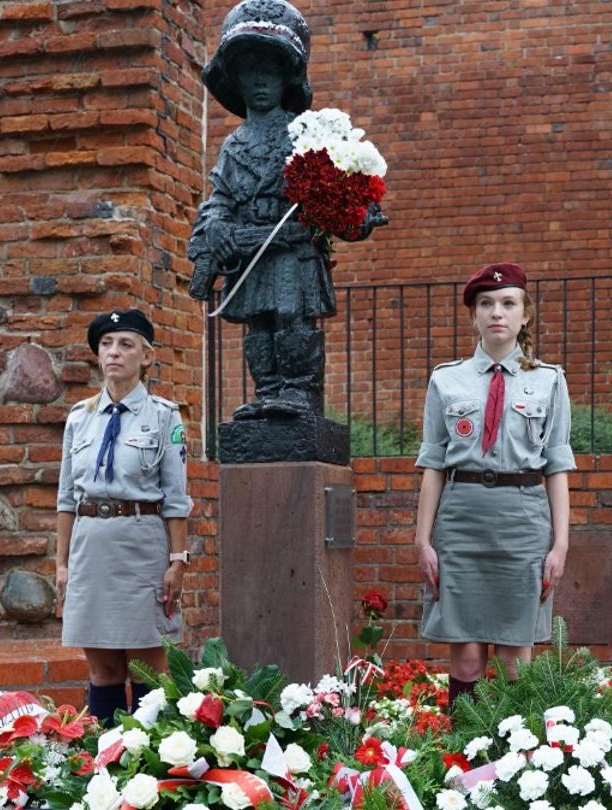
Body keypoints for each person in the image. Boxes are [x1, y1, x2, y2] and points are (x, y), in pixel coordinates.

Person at [187, 0, 381, 420]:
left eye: (270, 72)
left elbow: (343, 188)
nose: (260, 82)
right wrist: (217, 226)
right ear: (236, 79)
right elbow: (220, 196)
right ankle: (269, 390)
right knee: (259, 324)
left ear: (286, 78)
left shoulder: (307, 134)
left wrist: (355, 212)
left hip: (292, 247)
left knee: (291, 319)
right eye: (250, 72)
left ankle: (297, 393)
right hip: (249, 250)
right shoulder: (233, 144)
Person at [413, 262, 575, 703]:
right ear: (474, 315)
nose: (496, 312)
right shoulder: (446, 380)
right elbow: (432, 464)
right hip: (461, 522)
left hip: (522, 523)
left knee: (514, 658)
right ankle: (462, 760)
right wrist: (423, 540)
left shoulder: (549, 381)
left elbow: (557, 466)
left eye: (508, 303)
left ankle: (514, 764)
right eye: (486, 304)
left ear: (525, 315)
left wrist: (560, 545)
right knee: (465, 655)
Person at [54, 309, 192, 723]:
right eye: (107, 344)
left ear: (146, 357)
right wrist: (61, 564)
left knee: (148, 668)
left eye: (126, 344)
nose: (114, 352)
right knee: (103, 670)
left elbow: (176, 498)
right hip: (90, 548)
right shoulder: (80, 419)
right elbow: (66, 497)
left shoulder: (165, 416)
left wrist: (178, 561)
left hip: (141, 547)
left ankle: (153, 769)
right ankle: (104, 766)